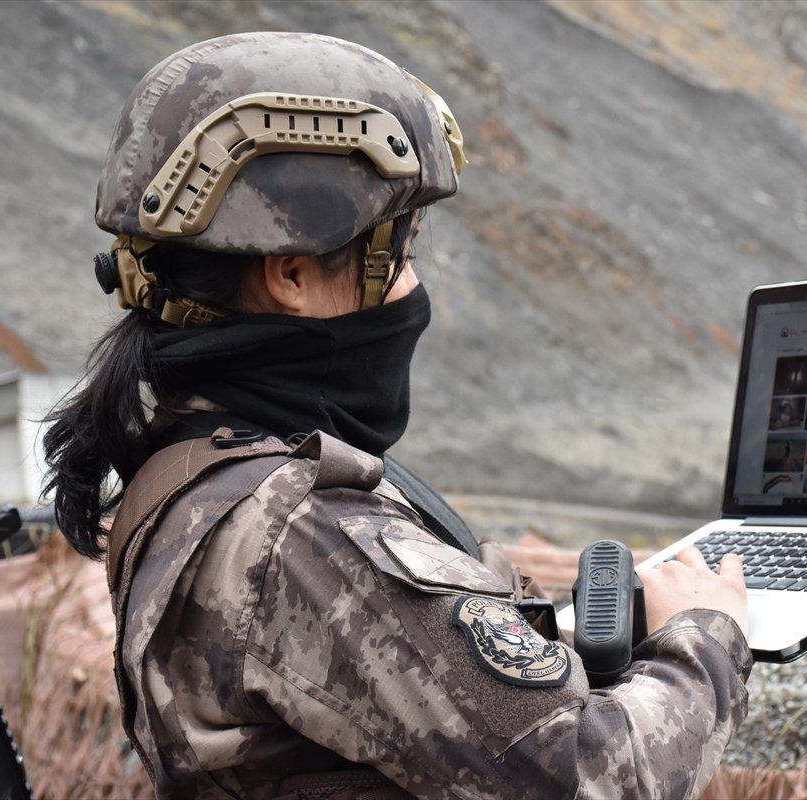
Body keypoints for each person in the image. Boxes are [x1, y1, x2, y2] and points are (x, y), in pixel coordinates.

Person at [42, 32, 751, 800]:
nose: (414, 288)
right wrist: (707, 634)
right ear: (292, 275)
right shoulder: (303, 531)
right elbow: (596, 776)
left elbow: (410, 674)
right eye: (400, 256)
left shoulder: (195, 461)